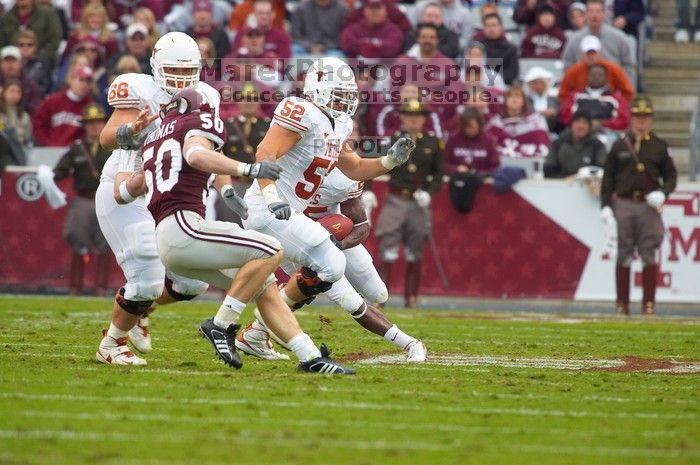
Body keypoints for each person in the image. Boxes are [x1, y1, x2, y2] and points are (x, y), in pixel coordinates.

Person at [120, 88, 355, 374]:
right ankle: (220, 325)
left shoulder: (156, 142)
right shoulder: (194, 125)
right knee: (271, 249)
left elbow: (124, 193)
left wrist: (121, 156)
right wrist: (249, 169)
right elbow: (196, 156)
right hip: (185, 227)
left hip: (169, 236)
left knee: (265, 283)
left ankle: (308, 356)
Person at [240, 57, 417, 324]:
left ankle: (250, 329)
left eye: (348, 95)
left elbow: (354, 167)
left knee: (350, 284)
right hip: (273, 210)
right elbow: (265, 152)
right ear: (318, 89)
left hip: (295, 216)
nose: (345, 101)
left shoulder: (339, 124)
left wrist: (390, 161)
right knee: (324, 270)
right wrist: (271, 196)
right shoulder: (302, 111)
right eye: (339, 95)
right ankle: (250, 329)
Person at [94, 31, 224, 366]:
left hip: (167, 191)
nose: (180, 80)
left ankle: (140, 309)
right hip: (125, 186)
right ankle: (111, 344)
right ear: (156, 66)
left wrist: (225, 188)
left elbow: (209, 149)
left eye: (186, 71)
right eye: (174, 71)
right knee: (147, 276)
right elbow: (106, 138)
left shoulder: (207, 96)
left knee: (193, 281)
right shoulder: (138, 90)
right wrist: (132, 130)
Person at [236, 168, 427, 362]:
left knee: (378, 293)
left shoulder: (341, 174)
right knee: (340, 296)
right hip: (296, 237)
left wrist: (339, 244)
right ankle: (410, 343)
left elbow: (361, 225)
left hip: (333, 236)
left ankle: (256, 333)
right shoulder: (290, 164)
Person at [600, 96, 677, 315]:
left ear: (651, 119)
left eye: (645, 117)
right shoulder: (619, 145)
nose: (641, 121)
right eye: (637, 116)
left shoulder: (659, 146)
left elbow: (671, 177)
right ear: (631, 118)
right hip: (623, 203)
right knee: (623, 253)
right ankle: (621, 305)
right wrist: (605, 205)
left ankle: (648, 305)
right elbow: (608, 178)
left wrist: (663, 193)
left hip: (648, 205)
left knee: (648, 253)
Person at [373, 99, 443, 308]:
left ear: (424, 119)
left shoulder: (433, 142)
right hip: (395, 198)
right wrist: (367, 192)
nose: (414, 119)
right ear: (402, 117)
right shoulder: (391, 140)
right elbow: (370, 165)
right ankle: (381, 297)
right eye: (409, 115)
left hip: (418, 201)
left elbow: (439, 172)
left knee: (416, 248)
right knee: (387, 247)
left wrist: (430, 193)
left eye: (418, 116)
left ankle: (411, 297)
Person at [52, 104, 112, 296]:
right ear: (84, 126)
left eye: (98, 122)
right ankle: (75, 287)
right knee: (77, 240)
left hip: (107, 199)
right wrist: (49, 175)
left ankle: (101, 287)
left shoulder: (114, 147)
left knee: (106, 244)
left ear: (104, 124)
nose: (94, 127)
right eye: (90, 123)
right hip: (83, 198)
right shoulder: (77, 148)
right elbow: (60, 170)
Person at [218, 83, 271, 225]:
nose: (249, 102)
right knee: (231, 224)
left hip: (257, 185)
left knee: (258, 225)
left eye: (253, 98)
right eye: (245, 98)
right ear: (239, 100)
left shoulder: (268, 126)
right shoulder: (227, 125)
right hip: (234, 183)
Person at [560, 0, 636, 85]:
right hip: (581, 90)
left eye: (598, 11)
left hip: (612, 90)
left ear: (604, 14)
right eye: (591, 12)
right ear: (585, 14)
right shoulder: (575, 39)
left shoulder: (619, 38)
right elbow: (567, 63)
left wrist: (627, 88)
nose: (594, 15)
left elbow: (629, 65)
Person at [558, 35, 635, 103]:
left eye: (594, 53)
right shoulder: (573, 71)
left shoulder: (613, 69)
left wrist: (619, 105)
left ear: (600, 53)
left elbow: (628, 92)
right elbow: (563, 94)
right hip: (581, 113)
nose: (591, 56)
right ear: (582, 54)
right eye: (588, 53)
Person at [32, 65, 95, 147]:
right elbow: (38, 125)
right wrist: (48, 144)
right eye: (81, 80)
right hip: (52, 151)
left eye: (88, 82)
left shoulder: (90, 106)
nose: (84, 85)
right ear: (71, 80)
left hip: (77, 154)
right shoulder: (53, 101)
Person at [560, 63, 630, 132]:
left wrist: (602, 123)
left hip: (607, 133)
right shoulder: (575, 96)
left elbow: (624, 121)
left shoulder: (616, 99)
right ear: (588, 76)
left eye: (599, 75)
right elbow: (565, 117)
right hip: (578, 133)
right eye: (593, 75)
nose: (596, 77)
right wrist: (584, 124)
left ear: (606, 77)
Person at [486, 85, 550, 158]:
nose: (514, 99)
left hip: (529, 160)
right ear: (505, 101)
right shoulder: (496, 123)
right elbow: (489, 145)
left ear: (523, 102)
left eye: (518, 96)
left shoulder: (536, 121)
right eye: (510, 97)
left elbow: (542, 145)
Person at [544, 109, 607, 178]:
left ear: (590, 127)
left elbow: (602, 170)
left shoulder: (598, 146)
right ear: (571, 125)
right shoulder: (558, 144)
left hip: (589, 185)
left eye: (585, 123)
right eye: (577, 121)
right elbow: (548, 170)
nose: (581, 126)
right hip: (562, 185)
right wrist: (565, 178)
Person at [0, 0, 62, 67]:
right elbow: (2, 44)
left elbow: (55, 40)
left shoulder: (48, 14)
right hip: (12, 64)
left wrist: (38, 56)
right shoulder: (5, 19)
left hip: (43, 64)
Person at [340, 0, 405, 59]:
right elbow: (347, 44)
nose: (375, 12)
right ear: (364, 10)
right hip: (357, 67)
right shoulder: (354, 29)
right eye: (371, 8)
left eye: (378, 8)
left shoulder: (394, 30)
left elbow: (392, 49)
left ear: (385, 10)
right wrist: (375, 46)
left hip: (385, 68)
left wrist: (365, 46)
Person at [444, 107, 500, 175]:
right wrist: (455, 168)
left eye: (472, 127)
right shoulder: (453, 139)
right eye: (466, 126)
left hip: (482, 180)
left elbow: (496, 166)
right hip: (457, 178)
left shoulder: (489, 141)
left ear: (479, 125)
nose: (469, 130)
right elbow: (443, 163)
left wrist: (481, 173)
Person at [471, 13, 519, 85]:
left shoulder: (511, 49)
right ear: (483, 28)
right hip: (478, 86)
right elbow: (469, 68)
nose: (491, 29)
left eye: (494, 25)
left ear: (501, 27)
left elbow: (512, 73)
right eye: (488, 26)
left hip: (502, 86)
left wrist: (494, 80)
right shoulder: (476, 48)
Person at [0, 45, 42, 115]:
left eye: (13, 60)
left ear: (21, 63)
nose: (10, 64)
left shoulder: (31, 86)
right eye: (6, 61)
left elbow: (34, 110)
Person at [524, 66, 559, 133]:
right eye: (535, 83)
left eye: (541, 83)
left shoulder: (553, 98)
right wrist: (540, 114)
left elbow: (557, 112)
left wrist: (553, 112)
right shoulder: (526, 99)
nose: (538, 86)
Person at [0, 79, 33, 150]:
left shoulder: (24, 116)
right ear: (4, 92)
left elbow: (27, 138)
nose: (14, 95)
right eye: (11, 91)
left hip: (20, 150)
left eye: (18, 92)